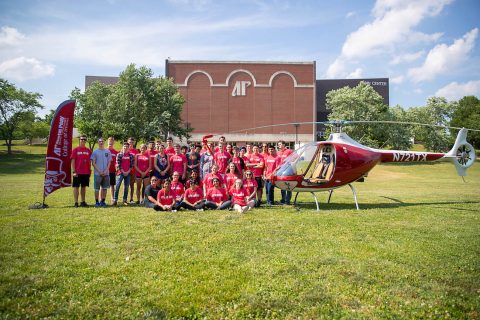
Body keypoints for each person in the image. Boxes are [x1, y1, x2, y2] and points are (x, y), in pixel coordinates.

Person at [71, 135, 92, 207]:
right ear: (79, 140)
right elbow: (73, 161)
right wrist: (73, 171)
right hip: (77, 172)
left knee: (84, 187)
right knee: (76, 187)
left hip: (86, 172)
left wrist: (89, 171)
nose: (83, 140)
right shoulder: (75, 150)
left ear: (86, 141)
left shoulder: (88, 150)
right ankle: (76, 202)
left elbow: (89, 162)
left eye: (84, 139)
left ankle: (83, 202)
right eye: (81, 139)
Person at [90, 137, 111, 208]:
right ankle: (97, 202)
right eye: (100, 141)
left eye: (102, 141)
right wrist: (100, 171)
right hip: (97, 174)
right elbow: (93, 163)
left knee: (104, 188)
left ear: (104, 142)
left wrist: (105, 171)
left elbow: (109, 162)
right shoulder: (95, 152)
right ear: (98, 143)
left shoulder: (107, 152)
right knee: (96, 189)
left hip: (106, 173)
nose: (101, 142)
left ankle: (103, 201)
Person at [277, 140, 293, 205]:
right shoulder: (278, 152)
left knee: (288, 185)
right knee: (282, 185)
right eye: (278, 145)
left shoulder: (289, 151)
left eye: (280, 144)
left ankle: (288, 200)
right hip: (280, 171)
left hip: (288, 170)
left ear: (284, 145)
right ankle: (283, 199)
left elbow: (296, 157)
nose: (279, 146)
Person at [127, 137, 139, 204]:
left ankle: (131, 199)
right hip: (126, 171)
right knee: (126, 186)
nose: (130, 144)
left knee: (132, 185)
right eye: (129, 142)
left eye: (132, 142)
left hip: (133, 171)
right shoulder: (125, 149)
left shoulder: (136, 151)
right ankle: (125, 199)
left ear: (133, 143)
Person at [107, 137, 118, 204]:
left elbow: (117, 162)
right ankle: (101, 199)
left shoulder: (116, 152)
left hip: (112, 171)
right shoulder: (104, 150)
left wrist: (117, 170)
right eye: (109, 140)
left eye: (112, 140)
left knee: (112, 185)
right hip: (104, 171)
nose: (110, 142)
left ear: (114, 142)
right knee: (102, 186)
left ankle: (112, 199)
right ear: (107, 141)